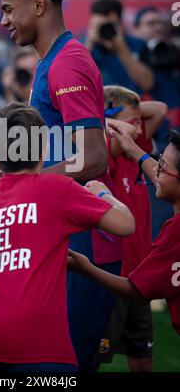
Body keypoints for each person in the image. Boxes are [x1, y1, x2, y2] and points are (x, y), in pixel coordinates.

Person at [0, 0, 123, 371]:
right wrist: (3, 170)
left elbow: (93, 156)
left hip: (79, 240)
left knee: (60, 367)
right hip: (62, 231)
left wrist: (24, 188)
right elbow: (46, 155)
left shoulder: (66, 62)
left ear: (39, 4)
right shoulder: (51, 62)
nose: (3, 21)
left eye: (8, 9)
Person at [0, 103, 135, 373]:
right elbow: (125, 224)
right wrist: (102, 192)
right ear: (43, 147)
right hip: (37, 341)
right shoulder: (57, 188)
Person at [68, 126, 180, 338]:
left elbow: (137, 291)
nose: (156, 171)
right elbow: (166, 176)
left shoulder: (175, 230)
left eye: (162, 167)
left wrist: (85, 267)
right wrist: (134, 149)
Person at [100, 86, 167, 372]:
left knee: (143, 354)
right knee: (91, 359)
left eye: (140, 121)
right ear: (110, 122)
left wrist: (129, 115)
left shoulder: (134, 150)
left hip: (139, 279)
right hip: (110, 279)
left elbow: (160, 109)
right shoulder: (101, 156)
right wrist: (105, 118)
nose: (140, 128)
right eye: (133, 121)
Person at [134, 6, 180, 155]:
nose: (158, 27)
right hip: (148, 134)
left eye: (161, 23)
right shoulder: (129, 56)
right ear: (136, 29)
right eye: (151, 23)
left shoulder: (173, 52)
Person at [83, 0, 154, 93]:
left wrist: (121, 49)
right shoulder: (83, 45)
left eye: (109, 25)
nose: (105, 30)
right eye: (99, 26)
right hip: (98, 103)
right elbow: (71, 79)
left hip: (131, 103)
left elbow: (147, 84)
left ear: (120, 23)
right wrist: (89, 45)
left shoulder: (137, 44)